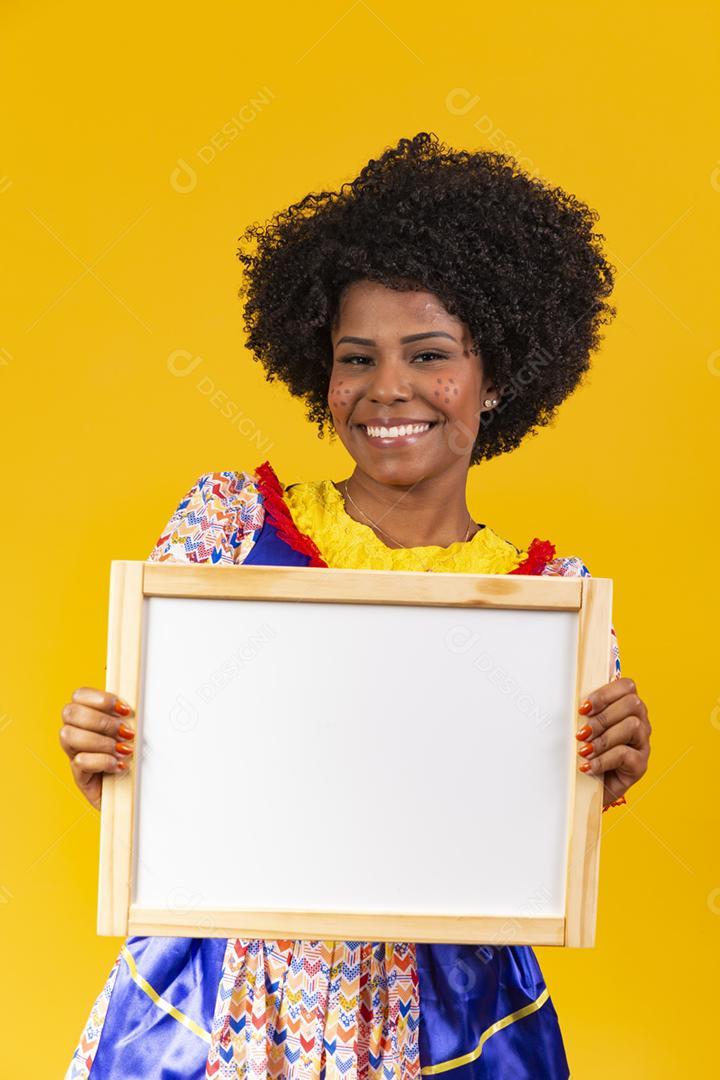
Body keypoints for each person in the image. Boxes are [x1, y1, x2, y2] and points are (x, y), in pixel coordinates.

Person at [62, 132, 651, 1079]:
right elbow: (179, 775)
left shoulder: (556, 610)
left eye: (429, 354)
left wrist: (607, 764)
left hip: (452, 1017)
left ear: (496, 377)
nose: (388, 390)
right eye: (356, 357)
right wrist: (120, 764)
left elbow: (524, 829)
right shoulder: (229, 528)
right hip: (228, 1004)